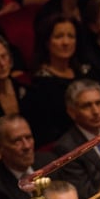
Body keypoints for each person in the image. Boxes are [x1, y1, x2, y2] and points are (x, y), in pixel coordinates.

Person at [52, 80, 100, 199]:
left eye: (99, 103)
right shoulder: (67, 148)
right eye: (87, 106)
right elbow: (86, 195)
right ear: (72, 112)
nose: (96, 111)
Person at [25, 14, 91, 147]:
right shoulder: (40, 84)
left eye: (71, 36)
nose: (66, 42)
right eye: (59, 36)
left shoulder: (85, 71)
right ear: (47, 42)